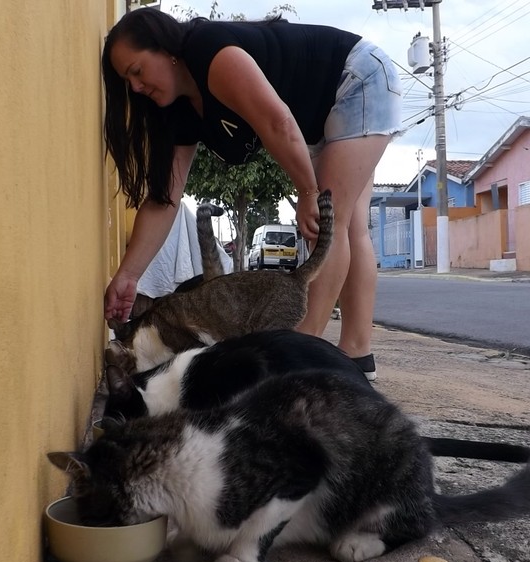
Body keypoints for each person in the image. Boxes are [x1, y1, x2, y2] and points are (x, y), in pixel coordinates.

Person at [101, 8, 405, 381]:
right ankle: (356, 360)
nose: (134, 87)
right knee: (348, 224)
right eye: (126, 80)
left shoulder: (209, 52)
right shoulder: (178, 111)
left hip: (356, 77)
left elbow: (277, 122)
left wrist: (307, 191)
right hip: (320, 113)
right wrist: (128, 276)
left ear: (167, 50)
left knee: (328, 222)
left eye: (136, 71)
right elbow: (165, 198)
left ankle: (298, 360)